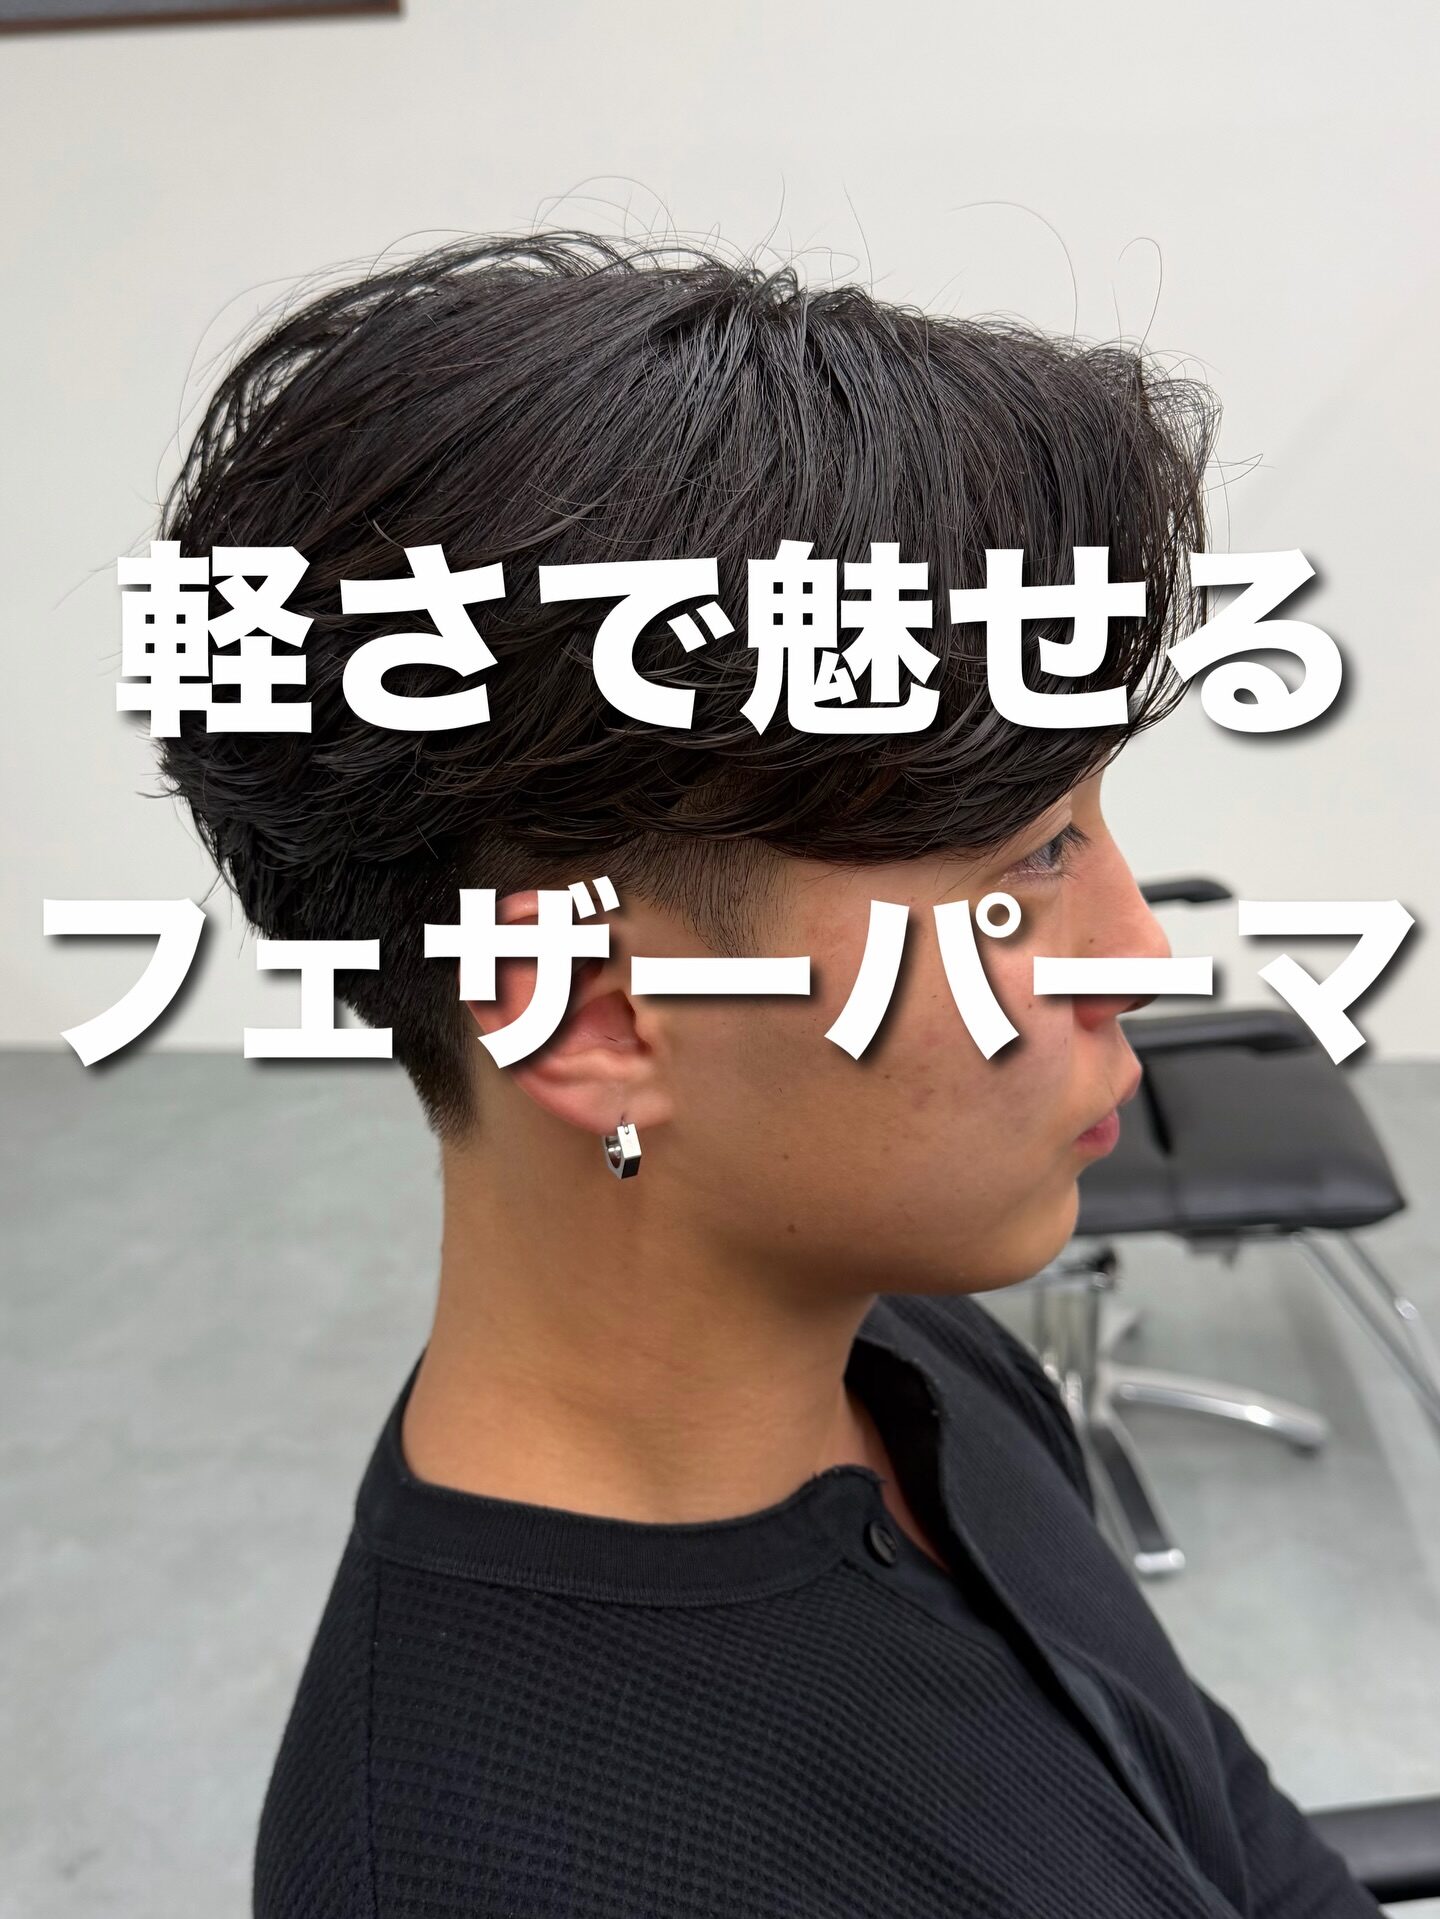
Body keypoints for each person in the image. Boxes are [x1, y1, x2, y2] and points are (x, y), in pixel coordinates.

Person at [156, 233, 1380, 1917]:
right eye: (1028, 864)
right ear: (589, 1014)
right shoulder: (491, 1869)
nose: (1140, 957)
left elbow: (1202, 1801)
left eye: (1091, 824)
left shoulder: (909, 1352)